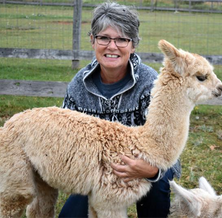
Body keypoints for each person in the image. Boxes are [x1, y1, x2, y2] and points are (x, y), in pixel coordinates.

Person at [59, 2, 181, 217]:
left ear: (133, 45)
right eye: (104, 38)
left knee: (159, 185)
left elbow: (168, 147)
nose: (112, 46)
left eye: (122, 39)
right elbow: (64, 139)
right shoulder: (79, 85)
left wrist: (151, 170)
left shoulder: (150, 83)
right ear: (93, 41)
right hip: (94, 173)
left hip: (142, 168)